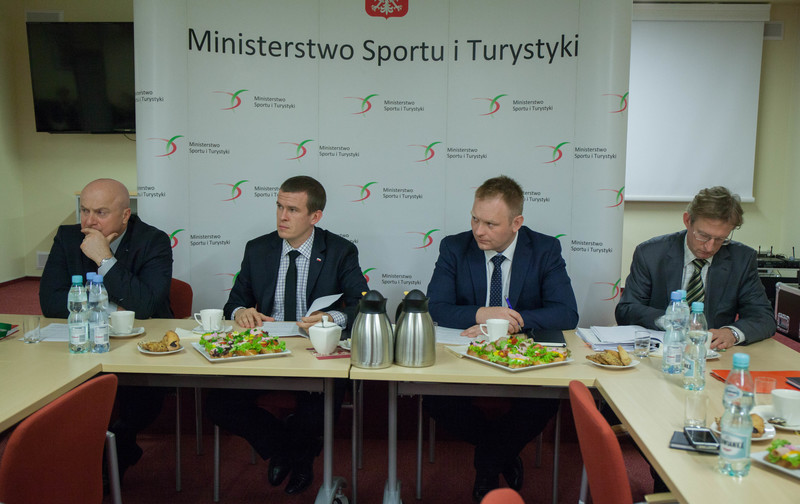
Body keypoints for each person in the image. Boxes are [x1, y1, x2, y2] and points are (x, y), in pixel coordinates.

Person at [206, 175, 368, 495]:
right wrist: (241, 312)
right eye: (279, 207)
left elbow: (363, 305)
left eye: (292, 210)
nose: (282, 216)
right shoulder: (258, 249)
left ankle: (301, 459)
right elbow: (234, 303)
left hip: (314, 352)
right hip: (265, 351)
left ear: (315, 216)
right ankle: (284, 449)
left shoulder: (340, 251)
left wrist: (330, 317)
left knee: (319, 406)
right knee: (219, 404)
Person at [425, 175, 579, 501]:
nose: (478, 231)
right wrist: (483, 314)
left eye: (491, 224)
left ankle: (487, 465)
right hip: (464, 357)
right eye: (475, 219)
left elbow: (566, 313)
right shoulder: (454, 247)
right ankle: (501, 454)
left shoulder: (544, 249)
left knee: (543, 400)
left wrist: (513, 322)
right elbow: (436, 306)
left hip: (522, 358)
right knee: (436, 399)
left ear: (516, 223)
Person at [39, 178, 173, 483]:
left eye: (100, 212)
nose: (89, 221)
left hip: (140, 349)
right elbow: (51, 302)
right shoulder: (67, 237)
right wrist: (110, 308)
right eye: (84, 210)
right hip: (82, 347)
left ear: (125, 215)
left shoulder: (153, 241)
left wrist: (105, 259)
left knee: (139, 400)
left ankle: (114, 452)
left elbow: (147, 305)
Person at [615, 186, 776, 349]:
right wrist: (668, 321)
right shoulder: (651, 254)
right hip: (663, 351)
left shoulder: (742, 259)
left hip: (713, 353)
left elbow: (764, 317)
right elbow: (626, 310)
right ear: (687, 220)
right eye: (703, 236)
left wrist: (732, 333)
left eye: (720, 239)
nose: (710, 247)